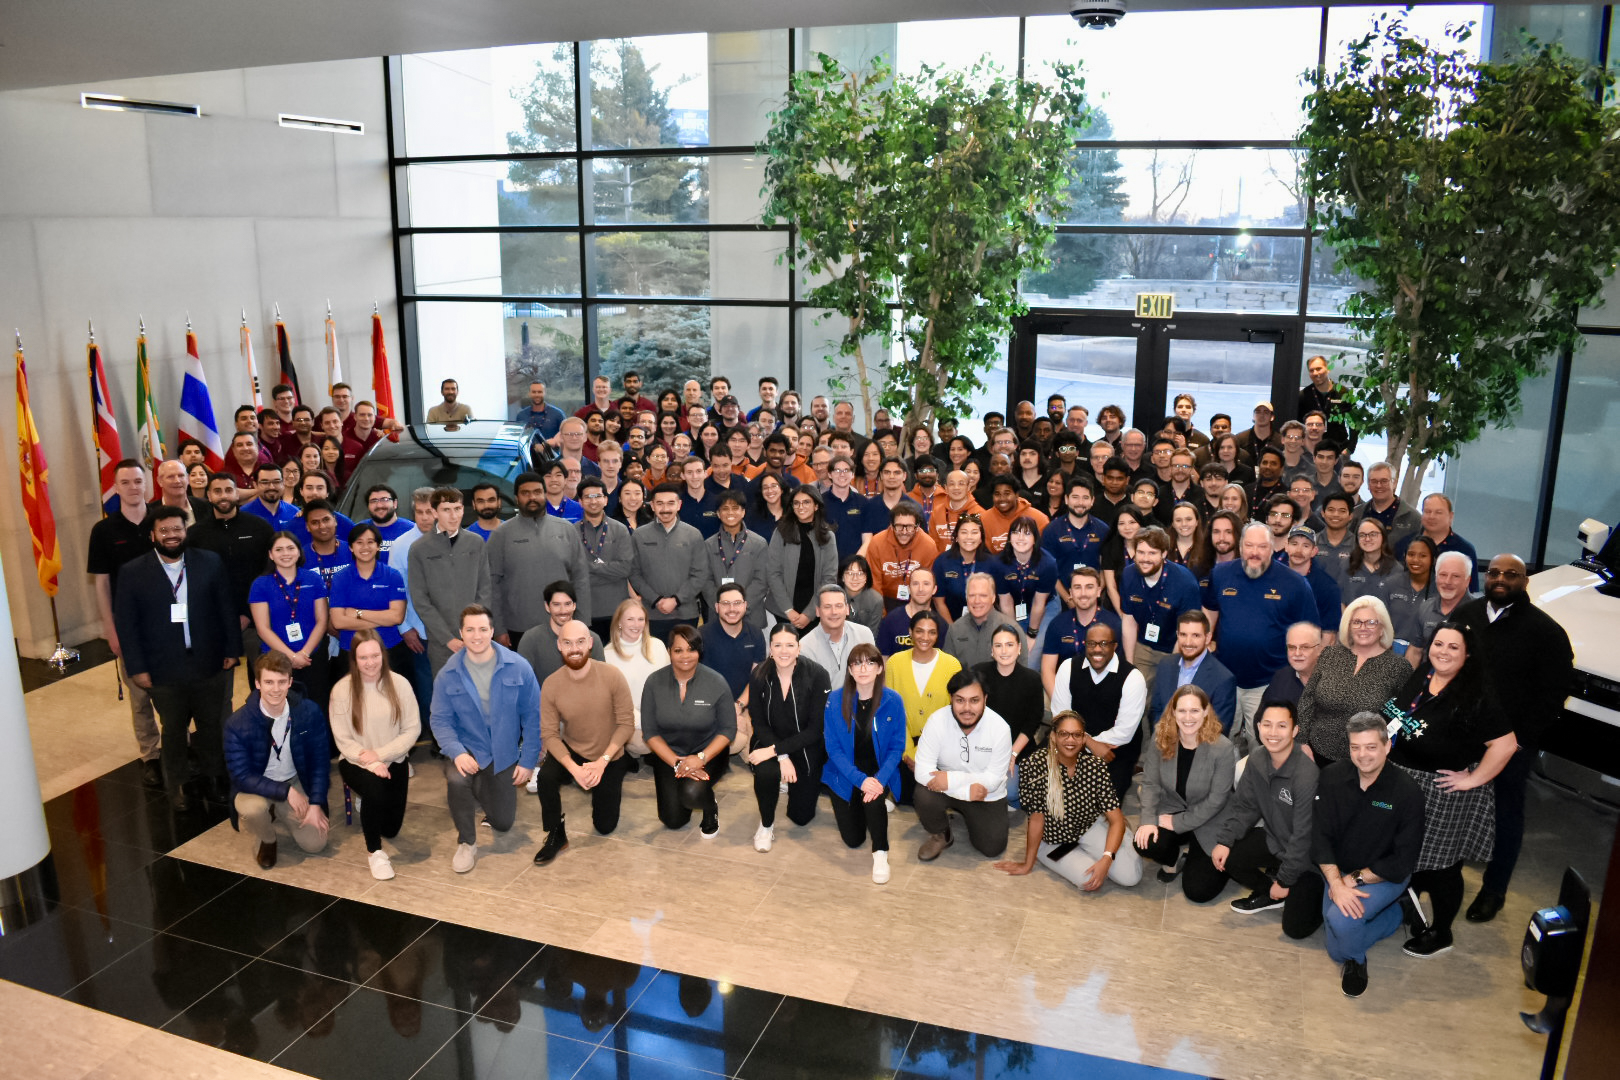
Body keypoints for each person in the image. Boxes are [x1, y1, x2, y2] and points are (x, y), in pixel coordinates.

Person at [1451, 554, 1574, 924]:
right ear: (1486, 578)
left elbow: (1553, 696)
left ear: (1525, 581)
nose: (1501, 579)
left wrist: (1520, 741)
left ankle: (1494, 890)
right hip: (1462, 735)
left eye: (1511, 574)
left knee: (1506, 814)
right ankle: (1445, 876)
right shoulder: (1465, 616)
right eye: (1495, 573)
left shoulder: (1546, 632)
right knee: (1455, 806)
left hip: (1511, 743)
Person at [1385, 622, 1518, 957]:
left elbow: (1505, 744)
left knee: (1442, 867)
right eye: (1438, 644)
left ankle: (1441, 932)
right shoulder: (1424, 676)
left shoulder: (1475, 696)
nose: (1442, 652)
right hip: (1402, 783)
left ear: (1468, 654)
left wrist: (1472, 779)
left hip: (1442, 792)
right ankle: (1410, 909)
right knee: (1407, 856)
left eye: (1453, 647)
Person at [114, 505, 240, 810]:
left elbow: (226, 608)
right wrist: (137, 668)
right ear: (153, 535)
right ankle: (181, 784)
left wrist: (232, 650)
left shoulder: (209, 562)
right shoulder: (132, 572)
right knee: (173, 728)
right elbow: (127, 627)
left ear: (186, 531)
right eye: (165, 530)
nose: (172, 536)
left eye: (177, 529)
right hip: (162, 667)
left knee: (211, 725)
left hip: (209, 661)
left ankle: (214, 777)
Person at [1312, 714, 1426, 998]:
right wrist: (1337, 883)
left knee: (1340, 925)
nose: (1362, 755)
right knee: (1335, 950)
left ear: (1387, 746)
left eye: (1371, 747)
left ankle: (1358, 961)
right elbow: (1319, 836)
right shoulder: (1331, 777)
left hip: (1384, 875)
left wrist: (1355, 879)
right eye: (1355, 747)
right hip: (1339, 872)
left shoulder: (1408, 792)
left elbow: (1403, 860)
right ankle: (1398, 914)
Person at [428, 605, 541, 874]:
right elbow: (440, 720)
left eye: (482, 629)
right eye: (470, 629)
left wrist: (528, 761)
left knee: (503, 823)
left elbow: (534, 717)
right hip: (469, 748)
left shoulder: (519, 667)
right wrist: (457, 752)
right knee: (457, 778)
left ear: (492, 631)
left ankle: (480, 787)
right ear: (461, 633)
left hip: (503, 752)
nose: (476, 636)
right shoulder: (448, 674)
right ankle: (467, 841)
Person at [1209, 700, 1325, 932]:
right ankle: (1271, 893)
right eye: (1267, 725)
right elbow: (1244, 806)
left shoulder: (1305, 774)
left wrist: (1285, 880)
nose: (1273, 733)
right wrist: (1225, 840)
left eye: (1282, 726)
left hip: (1307, 858)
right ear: (1258, 727)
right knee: (1229, 855)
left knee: (1295, 929)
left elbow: (1303, 837)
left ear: (1294, 731)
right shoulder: (1258, 758)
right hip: (1275, 840)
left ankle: (1306, 894)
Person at [995, 710, 1142, 891]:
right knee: (1088, 880)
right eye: (1064, 734)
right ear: (1053, 736)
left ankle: (1121, 838)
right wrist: (1027, 864)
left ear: (1083, 739)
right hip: (1052, 841)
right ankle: (1088, 852)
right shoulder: (1033, 766)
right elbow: (1036, 819)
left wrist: (1106, 858)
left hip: (1088, 825)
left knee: (1131, 877)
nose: (1070, 740)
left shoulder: (1094, 767)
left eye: (1077, 735)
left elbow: (1116, 818)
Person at [1202, 521, 1318, 748]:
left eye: (1262, 546)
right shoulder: (1221, 574)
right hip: (1225, 680)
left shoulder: (1295, 584)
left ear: (1274, 547)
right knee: (1219, 742)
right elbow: (1209, 611)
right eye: (1249, 545)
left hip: (1268, 683)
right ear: (1241, 546)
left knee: (1263, 745)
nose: (1255, 553)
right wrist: (1206, 644)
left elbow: (1312, 635)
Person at [532, 620, 637, 865]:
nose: (574, 648)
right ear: (559, 646)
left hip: (609, 752)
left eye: (580, 641)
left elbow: (626, 725)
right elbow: (549, 734)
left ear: (590, 643)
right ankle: (556, 834)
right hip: (574, 747)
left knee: (605, 826)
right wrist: (574, 769)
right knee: (546, 778)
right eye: (567, 643)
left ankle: (620, 768)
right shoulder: (551, 684)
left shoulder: (612, 675)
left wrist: (603, 762)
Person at [87, 462, 162, 782]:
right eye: (126, 482)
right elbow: (102, 584)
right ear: (115, 488)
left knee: (171, 690)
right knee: (139, 693)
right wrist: (110, 630)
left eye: (138, 481)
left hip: (167, 619)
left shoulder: (162, 521)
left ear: (147, 485)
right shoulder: (103, 531)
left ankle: (179, 746)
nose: (133, 487)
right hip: (128, 624)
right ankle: (151, 755)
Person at [328, 629, 420, 880]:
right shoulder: (341, 690)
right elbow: (342, 739)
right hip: (357, 762)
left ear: (383, 654)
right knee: (375, 790)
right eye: (363, 658)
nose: (370, 663)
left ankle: (370, 801)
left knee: (390, 829)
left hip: (393, 759)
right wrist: (369, 762)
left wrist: (380, 755)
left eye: (374, 655)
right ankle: (375, 853)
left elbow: (413, 729)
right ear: (354, 660)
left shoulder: (399, 684)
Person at [224, 652, 330, 868]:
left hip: (295, 779)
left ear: (290, 682)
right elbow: (242, 776)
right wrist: (287, 792)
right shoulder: (237, 723)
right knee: (253, 809)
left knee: (315, 844)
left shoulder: (309, 712)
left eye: (282, 682)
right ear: (257, 683)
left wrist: (316, 803)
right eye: (269, 682)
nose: (275, 689)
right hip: (257, 785)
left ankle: (280, 810)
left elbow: (320, 762)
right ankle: (268, 839)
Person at [1133, 685, 1238, 899]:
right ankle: (1174, 860)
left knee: (1198, 891)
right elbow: (1151, 783)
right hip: (1172, 806)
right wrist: (1147, 820)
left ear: (1206, 711)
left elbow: (1217, 800)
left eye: (1194, 711)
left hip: (1211, 818)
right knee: (1144, 841)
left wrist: (1177, 823)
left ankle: (1209, 855)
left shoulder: (1223, 748)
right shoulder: (1160, 738)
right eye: (1182, 711)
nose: (1188, 717)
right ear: (1173, 712)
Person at [813, 644, 904, 882]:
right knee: (853, 840)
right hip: (845, 774)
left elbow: (897, 747)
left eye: (870, 662)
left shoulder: (893, 700)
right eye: (857, 663)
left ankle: (881, 853)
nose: (863, 668)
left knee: (873, 801)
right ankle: (871, 806)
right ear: (850, 670)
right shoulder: (835, 700)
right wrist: (860, 780)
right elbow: (832, 748)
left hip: (878, 772)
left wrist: (877, 781)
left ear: (879, 667)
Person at [641, 625, 736, 837]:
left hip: (709, 753)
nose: (685, 656)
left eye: (691, 649)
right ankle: (689, 786)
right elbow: (649, 732)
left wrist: (700, 758)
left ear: (699, 652)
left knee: (692, 793)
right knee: (673, 820)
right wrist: (677, 762)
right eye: (678, 650)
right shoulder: (654, 682)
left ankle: (709, 806)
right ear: (669, 652)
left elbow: (728, 729)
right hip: (669, 755)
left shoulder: (716, 682)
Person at [189, 472, 276, 703]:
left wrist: (248, 614)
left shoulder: (260, 528)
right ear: (208, 496)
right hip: (214, 623)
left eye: (229, 490)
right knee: (218, 691)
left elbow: (269, 572)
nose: (224, 496)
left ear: (237, 493)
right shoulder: (195, 535)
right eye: (217, 491)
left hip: (255, 620)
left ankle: (262, 729)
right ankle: (221, 735)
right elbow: (193, 581)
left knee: (262, 681)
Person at [1299, 597, 1413, 768]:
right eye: (1357, 622)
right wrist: (1301, 741)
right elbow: (1307, 700)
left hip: (1365, 762)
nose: (1363, 628)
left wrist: (1385, 749)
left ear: (1383, 628)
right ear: (1348, 626)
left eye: (1371, 622)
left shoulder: (1398, 667)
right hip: (1316, 754)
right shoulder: (1330, 655)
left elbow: (1403, 716)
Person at [745, 626, 831, 850]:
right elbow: (759, 723)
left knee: (801, 818)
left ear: (799, 648)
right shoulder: (758, 675)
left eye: (790, 645)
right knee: (766, 772)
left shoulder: (818, 675)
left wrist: (777, 751)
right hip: (768, 741)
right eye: (778, 645)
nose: (784, 651)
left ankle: (791, 784)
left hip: (806, 744)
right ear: (770, 648)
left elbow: (815, 729)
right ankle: (766, 825)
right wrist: (781, 755)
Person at [912, 668, 1013, 861]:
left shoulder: (1000, 728)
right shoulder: (937, 721)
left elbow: (992, 780)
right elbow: (922, 770)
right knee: (923, 794)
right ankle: (942, 834)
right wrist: (964, 791)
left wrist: (950, 780)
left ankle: (972, 818)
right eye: (960, 700)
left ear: (985, 699)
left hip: (985, 795)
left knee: (992, 848)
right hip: (950, 789)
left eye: (974, 700)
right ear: (951, 698)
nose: (967, 708)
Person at [1050, 622, 1146, 801]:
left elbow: (1124, 733)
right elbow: (1060, 716)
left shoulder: (1133, 678)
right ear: (1085, 645)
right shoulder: (1068, 667)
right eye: (1092, 644)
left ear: (1115, 646)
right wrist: (1087, 743)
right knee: (1046, 786)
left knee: (1103, 802)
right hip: (1070, 741)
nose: (1097, 650)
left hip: (1115, 751)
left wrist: (1084, 745)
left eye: (1104, 644)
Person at [408, 487, 493, 675]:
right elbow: (421, 601)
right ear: (435, 512)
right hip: (441, 644)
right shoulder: (419, 549)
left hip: (478, 639)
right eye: (446, 510)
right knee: (448, 695)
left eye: (457, 508)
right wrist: (447, 639)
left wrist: (476, 631)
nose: (453, 516)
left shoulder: (476, 543)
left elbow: (485, 589)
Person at [248, 530, 331, 718]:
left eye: (290, 548)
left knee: (317, 709)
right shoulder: (260, 585)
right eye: (279, 549)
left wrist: (304, 654)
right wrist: (291, 657)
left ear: (299, 552)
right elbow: (263, 628)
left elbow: (322, 620)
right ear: (270, 554)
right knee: (280, 712)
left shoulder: (313, 579)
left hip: (312, 657)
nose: (285, 553)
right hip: (275, 660)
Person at [1117, 526, 1202, 699]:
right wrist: (1129, 663)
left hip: (1175, 647)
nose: (1145, 559)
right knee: (1135, 697)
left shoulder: (1185, 582)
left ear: (1164, 554)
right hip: (1142, 645)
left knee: (1166, 700)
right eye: (1141, 552)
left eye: (1152, 553)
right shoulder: (1128, 575)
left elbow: (1187, 633)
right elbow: (1129, 620)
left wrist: (1173, 668)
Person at [888, 609, 962, 803]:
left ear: (938, 636)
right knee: (905, 797)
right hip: (902, 745)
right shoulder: (895, 663)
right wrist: (907, 753)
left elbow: (956, 715)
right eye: (919, 631)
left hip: (940, 748)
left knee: (933, 797)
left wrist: (930, 755)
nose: (925, 637)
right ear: (910, 632)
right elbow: (890, 714)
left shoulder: (952, 665)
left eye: (932, 632)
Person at [326, 522, 410, 679]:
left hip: (388, 648)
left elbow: (397, 617)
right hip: (351, 650)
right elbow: (338, 622)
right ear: (351, 547)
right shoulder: (340, 578)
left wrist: (357, 613)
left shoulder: (392, 575)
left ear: (378, 546)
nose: (365, 547)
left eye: (370, 542)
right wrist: (384, 619)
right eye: (359, 542)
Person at [975, 625, 1046, 810]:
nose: (1004, 651)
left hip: (1018, 748)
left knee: (1012, 792)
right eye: (998, 646)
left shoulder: (1032, 679)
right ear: (992, 650)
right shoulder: (978, 674)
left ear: (1019, 648)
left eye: (1009, 644)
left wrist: (1012, 753)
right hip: (983, 748)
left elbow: (1033, 722)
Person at [630, 484, 708, 641]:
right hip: (651, 613)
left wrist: (676, 600)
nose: (665, 508)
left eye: (671, 503)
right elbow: (634, 573)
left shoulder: (693, 535)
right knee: (655, 662)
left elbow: (700, 574)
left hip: (686, 613)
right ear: (652, 505)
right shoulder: (639, 535)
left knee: (685, 660)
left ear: (679, 505)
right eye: (660, 503)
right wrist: (656, 600)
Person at [601, 598, 669, 765]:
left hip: (659, 714)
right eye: (630, 619)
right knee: (644, 744)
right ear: (619, 623)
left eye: (640, 619)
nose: (636, 624)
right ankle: (628, 751)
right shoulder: (607, 655)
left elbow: (669, 685)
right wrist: (644, 722)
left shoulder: (658, 646)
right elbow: (613, 703)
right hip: (629, 718)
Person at [1148, 610, 1238, 733]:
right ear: (1177, 635)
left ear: (1207, 638)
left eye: (1196, 635)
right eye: (1183, 635)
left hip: (1200, 749)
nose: (1188, 642)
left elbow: (1218, 729)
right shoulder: (1165, 665)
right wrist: (1167, 740)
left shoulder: (1223, 679)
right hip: (1164, 743)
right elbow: (1156, 711)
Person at [766, 485, 839, 634]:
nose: (801, 507)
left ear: (816, 506)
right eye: (796, 503)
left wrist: (809, 613)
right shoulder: (781, 532)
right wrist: (788, 610)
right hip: (782, 611)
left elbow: (829, 578)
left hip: (815, 611)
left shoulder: (827, 536)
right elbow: (773, 573)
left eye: (806, 502)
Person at [1041, 567, 1122, 696]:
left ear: (1098, 591)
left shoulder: (1114, 625)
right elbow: (1047, 670)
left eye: (1089, 587)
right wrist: (1061, 704)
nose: (1083, 593)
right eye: (1078, 587)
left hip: (1102, 693)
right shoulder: (1057, 624)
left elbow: (1119, 672)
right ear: (1071, 593)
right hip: (1063, 690)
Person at [993, 515, 1059, 666]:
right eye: (1016, 532)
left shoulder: (1048, 563)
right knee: (1013, 652)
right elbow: (1006, 602)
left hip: (1045, 607)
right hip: (1014, 607)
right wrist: (1015, 633)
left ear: (1035, 539)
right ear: (1009, 537)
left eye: (1027, 533)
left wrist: (1031, 635)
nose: (1021, 538)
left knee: (1031, 658)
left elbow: (1039, 602)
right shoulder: (999, 563)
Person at [576, 476, 634, 642]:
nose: (593, 502)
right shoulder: (572, 532)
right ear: (580, 501)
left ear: (606, 500)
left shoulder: (620, 530)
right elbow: (573, 571)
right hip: (585, 610)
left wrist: (589, 568)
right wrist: (608, 571)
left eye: (597, 496)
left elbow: (625, 569)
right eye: (587, 497)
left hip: (616, 610)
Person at [703, 490, 770, 630]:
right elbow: (705, 580)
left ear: (743, 512)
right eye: (725, 509)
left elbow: (762, 581)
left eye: (735, 508)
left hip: (751, 616)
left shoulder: (759, 543)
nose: (730, 513)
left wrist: (741, 607)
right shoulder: (709, 544)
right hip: (718, 617)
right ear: (718, 514)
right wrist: (723, 607)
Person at [517, 580, 605, 684]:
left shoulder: (592, 639)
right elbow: (522, 681)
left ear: (574, 605)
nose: (563, 610)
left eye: (567, 604)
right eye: (556, 604)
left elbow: (601, 681)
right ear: (547, 606)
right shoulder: (531, 639)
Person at [700, 582, 766, 705]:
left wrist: (739, 705)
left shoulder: (756, 634)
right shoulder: (701, 635)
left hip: (745, 704)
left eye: (737, 603)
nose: (732, 609)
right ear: (717, 607)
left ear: (745, 605)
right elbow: (700, 680)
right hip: (711, 706)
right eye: (725, 604)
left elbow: (756, 679)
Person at [942, 571, 1024, 670]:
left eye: (983, 596)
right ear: (966, 598)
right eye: (972, 595)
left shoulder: (1012, 629)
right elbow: (947, 670)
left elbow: (1022, 672)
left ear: (993, 598)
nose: (977, 601)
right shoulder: (955, 630)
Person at [798, 583, 877, 684]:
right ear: (817, 611)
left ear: (847, 609)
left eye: (839, 606)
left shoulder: (864, 635)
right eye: (827, 607)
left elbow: (873, 677)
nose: (834, 612)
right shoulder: (805, 648)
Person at [930, 514, 991, 624]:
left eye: (974, 532)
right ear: (956, 537)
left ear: (981, 538)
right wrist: (953, 630)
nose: (969, 537)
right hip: (950, 623)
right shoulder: (942, 562)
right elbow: (939, 602)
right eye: (964, 532)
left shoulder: (991, 563)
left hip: (985, 624)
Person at [1285, 526, 1344, 635]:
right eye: (1294, 544)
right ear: (1286, 547)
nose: (1298, 550)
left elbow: (1329, 635)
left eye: (1306, 546)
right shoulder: (1273, 578)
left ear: (1314, 551)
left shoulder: (1328, 587)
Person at [1351, 462, 1420, 546]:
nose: (1379, 485)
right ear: (1368, 485)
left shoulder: (1412, 518)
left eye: (1384, 481)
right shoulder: (1356, 514)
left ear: (1394, 483)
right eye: (1374, 481)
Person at [1299, 354, 1357, 452]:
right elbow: (1299, 424)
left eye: (1318, 369)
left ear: (1328, 369)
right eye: (1312, 370)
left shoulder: (1343, 393)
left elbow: (1354, 423)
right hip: (1312, 450)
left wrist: (1350, 448)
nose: (1316, 373)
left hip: (1339, 449)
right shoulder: (1304, 395)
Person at [876, 565, 937, 656]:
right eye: (915, 584)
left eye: (926, 584)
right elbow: (883, 658)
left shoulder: (940, 624)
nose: (920, 589)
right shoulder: (890, 620)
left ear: (934, 589)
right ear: (909, 589)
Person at [1264, 621, 1324, 708]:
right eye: (1292, 647)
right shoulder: (1280, 677)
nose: (1297, 653)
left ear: (1319, 649)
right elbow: (1263, 716)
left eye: (1305, 647)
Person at [1345, 517, 1397, 605]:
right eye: (1362, 535)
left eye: (1373, 534)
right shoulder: (1347, 565)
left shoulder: (1396, 570)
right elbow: (1341, 602)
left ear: (1383, 537)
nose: (1367, 539)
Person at [838, 554, 885, 635]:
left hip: (864, 644)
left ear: (867, 577)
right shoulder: (832, 596)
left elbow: (872, 634)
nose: (855, 578)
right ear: (842, 576)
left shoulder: (876, 600)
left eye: (860, 574)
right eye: (850, 573)